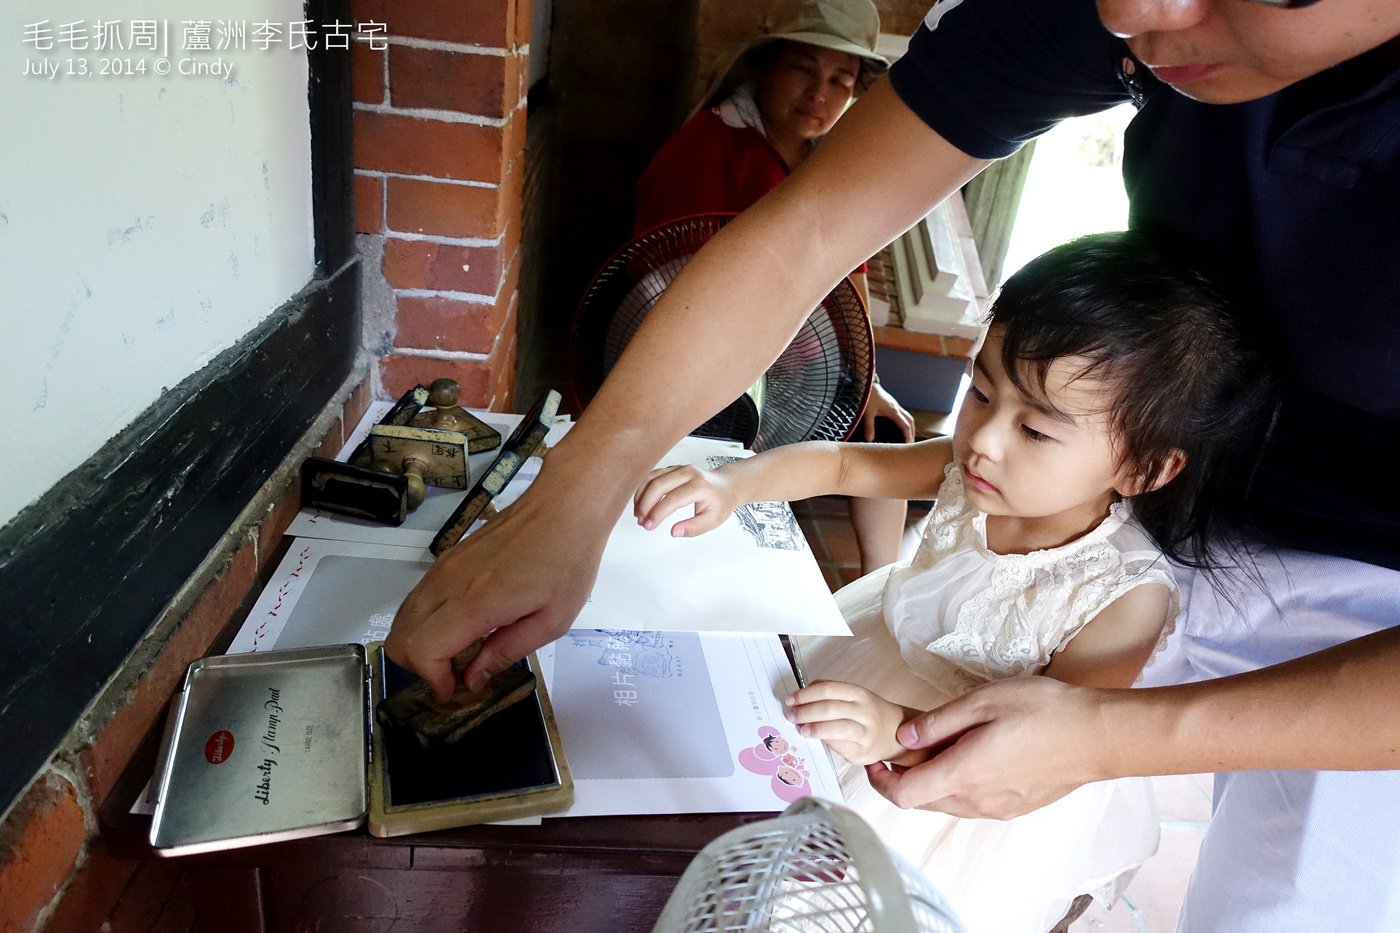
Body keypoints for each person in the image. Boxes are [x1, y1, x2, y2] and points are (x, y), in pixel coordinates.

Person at [386, 1, 1400, 926]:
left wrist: (1106, 739)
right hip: (1152, 497)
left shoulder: (1107, 587)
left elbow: (1070, 720)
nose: (1139, 11)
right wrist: (576, 497)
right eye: (981, 395)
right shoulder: (1119, 16)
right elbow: (806, 235)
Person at [633, 231, 1272, 932]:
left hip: (956, 775)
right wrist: (734, 484)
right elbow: (849, 468)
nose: (984, 440)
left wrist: (898, 734)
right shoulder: (974, 474)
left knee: (832, 898)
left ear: (1143, 470)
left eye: (1036, 431)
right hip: (879, 656)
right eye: (982, 390)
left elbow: (1055, 750)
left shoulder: (1124, 596)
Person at [633, 0, 917, 575]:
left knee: (884, 430)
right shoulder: (711, 148)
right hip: (705, 362)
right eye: (802, 69)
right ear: (765, 68)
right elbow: (661, 280)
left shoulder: (835, 162)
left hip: (800, 363)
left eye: (839, 79)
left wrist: (867, 382)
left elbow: (849, 281)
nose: (819, 93)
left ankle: (877, 586)